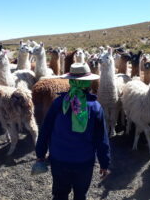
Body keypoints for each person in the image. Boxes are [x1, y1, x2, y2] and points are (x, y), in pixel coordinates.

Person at [34, 63, 111, 200]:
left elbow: (45, 128)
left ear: (70, 81)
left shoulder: (59, 103)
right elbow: (101, 138)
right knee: (80, 195)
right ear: (88, 82)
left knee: (59, 194)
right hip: (84, 161)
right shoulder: (94, 107)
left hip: (59, 159)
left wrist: (40, 153)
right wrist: (104, 163)